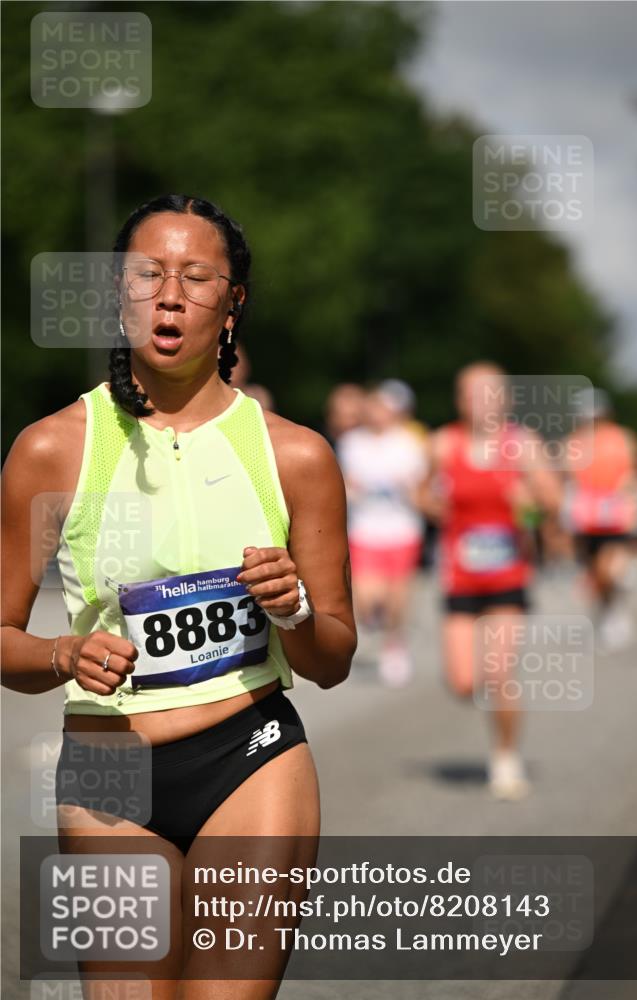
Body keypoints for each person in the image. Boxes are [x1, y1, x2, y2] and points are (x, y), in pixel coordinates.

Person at [0, 194, 356, 1000]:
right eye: (146, 274)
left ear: (232, 305)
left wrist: (292, 608)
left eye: (196, 278)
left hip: (251, 753)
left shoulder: (296, 455)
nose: (169, 295)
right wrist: (62, 653)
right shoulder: (53, 448)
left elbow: (333, 658)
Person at [419, 362, 560, 800]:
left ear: (505, 399)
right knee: (464, 681)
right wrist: (435, 507)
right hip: (460, 578)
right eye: (472, 393)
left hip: (507, 575)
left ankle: (505, 757)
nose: (481, 401)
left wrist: (529, 505)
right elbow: (420, 492)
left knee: (499, 672)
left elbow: (552, 503)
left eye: (490, 392)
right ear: (460, 399)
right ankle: (498, 734)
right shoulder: (443, 443)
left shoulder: (524, 445)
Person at [337, 382, 427, 686]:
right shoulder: (352, 443)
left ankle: (395, 645)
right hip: (364, 531)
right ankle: (377, 626)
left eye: (385, 408)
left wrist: (411, 491)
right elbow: (345, 481)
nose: (379, 413)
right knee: (365, 600)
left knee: (396, 600)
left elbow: (420, 486)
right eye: (374, 407)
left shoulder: (409, 443)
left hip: (402, 531)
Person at [562, 388, 637, 649]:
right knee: (595, 569)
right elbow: (567, 477)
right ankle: (608, 607)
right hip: (587, 515)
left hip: (616, 510)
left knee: (612, 564)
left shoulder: (623, 438)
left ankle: (615, 606)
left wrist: (634, 496)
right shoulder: (573, 442)